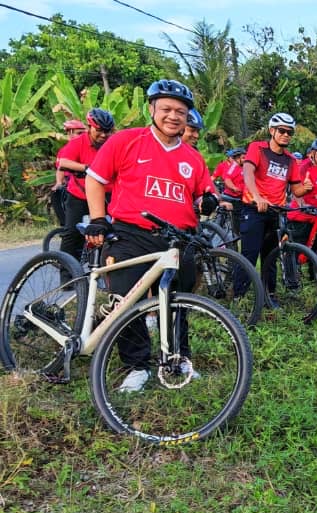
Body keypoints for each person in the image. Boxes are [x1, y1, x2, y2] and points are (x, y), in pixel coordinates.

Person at [83, 79, 217, 392]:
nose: (173, 116)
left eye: (180, 111)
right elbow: (95, 179)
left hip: (178, 239)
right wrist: (98, 219)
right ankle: (137, 365)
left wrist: (207, 200)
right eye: (166, 108)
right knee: (126, 300)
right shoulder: (126, 141)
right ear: (152, 109)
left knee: (177, 303)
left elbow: (203, 193)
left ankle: (178, 359)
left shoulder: (193, 158)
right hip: (132, 234)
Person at [237, 113, 313, 308]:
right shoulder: (258, 148)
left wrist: (305, 188)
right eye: (282, 131)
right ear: (272, 131)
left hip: (275, 212)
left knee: (271, 256)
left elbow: (296, 190)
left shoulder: (290, 160)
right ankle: (239, 296)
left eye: (290, 132)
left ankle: (269, 295)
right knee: (250, 254)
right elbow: (247, 172)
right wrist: (257, 196)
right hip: (254, 208)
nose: (286, 135)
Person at [56, 108, 115, 256]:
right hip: (79, 195)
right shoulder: (78, 142)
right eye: (99, 130)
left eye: (107, 131)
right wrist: (88, 168)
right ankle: (67, 268)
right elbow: (63, 162)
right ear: (89, 127)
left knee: (116, 231)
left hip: (107, 194)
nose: (103, 135)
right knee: (71, 233)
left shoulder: (114, 142)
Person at [52, 119, 87, 224]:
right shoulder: (64, 150)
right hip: (71, 182)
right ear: (70, 133)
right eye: (79, 133)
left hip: (87, 181)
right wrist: (59, 183)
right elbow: (60, 169)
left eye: (83, 133)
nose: (82, 136)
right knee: (56, 195)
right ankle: (65, 224)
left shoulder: (89, 147)